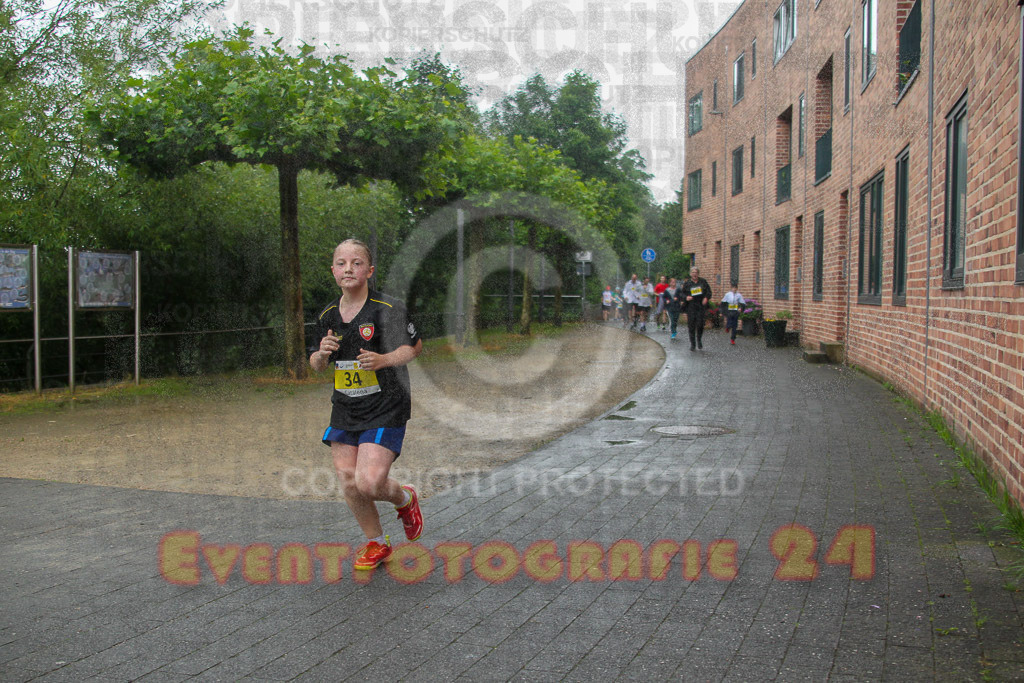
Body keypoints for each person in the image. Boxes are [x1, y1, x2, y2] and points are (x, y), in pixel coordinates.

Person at [309, 238, 424, 570]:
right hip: (346, 407)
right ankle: (376, 543)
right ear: (333, 270)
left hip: (386, 406)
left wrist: (384, 359)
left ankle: (405, 498)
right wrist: (322, 354)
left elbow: (414, 348)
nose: (349, 268)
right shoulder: (327, 315)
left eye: (356, 263)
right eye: (341, 263)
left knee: (370, 483)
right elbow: (315, 364)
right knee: (349, 480)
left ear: (369, 270)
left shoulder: (387, 309)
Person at [682, 267, 712, 351]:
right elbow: (682, 294)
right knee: (691, 325)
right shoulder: (687, 283)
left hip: (700, 305)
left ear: (698, 274)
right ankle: (693, 344)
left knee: (700, 324)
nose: (694, 274)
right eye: (693, 272)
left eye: (696, 272)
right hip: (691, 306)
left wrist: (706, 298)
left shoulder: (703, 282)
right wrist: (686, 297)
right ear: (690, 274)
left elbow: (709, 292)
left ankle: (699, 340)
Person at [720, 281, 746, 345]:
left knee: (735, 325)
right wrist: (721, 312)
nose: (734, 289)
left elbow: (743, 303)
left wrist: (741, 308)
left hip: (735, 311)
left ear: (737, 288)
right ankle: (728, 327)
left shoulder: (739, 295)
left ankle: (733, 339)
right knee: (729, 320)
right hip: (729, 310)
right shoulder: (727, 294)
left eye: (735, 288)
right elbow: (723, 303)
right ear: (731, 288)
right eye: (733, 288)